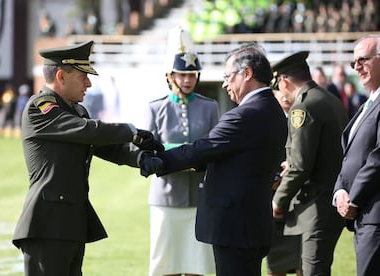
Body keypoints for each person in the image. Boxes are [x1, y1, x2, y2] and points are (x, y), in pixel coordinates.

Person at [12, 40, 163, 276]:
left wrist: (141, 157)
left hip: (71, 223)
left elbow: (107, 147)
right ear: (61, 76)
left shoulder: (77, 112)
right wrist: (131, 130)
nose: (89, 83)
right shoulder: (39, 108)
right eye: (83, 76)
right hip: (47, 225)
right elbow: (89, 131)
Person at [140, 42, 288, 276]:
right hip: (254, 223)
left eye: (228, 76)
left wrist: (160, 160)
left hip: (235, 227)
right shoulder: (272, 108)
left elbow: (203, 148)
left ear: (247, 73)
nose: (224, 84)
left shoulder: (243, 115)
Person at [144, 27, 218, 276]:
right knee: (167, 265)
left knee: (200, 266)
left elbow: (216, 148)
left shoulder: (210, 107)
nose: (188, 80)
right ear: (170, 76)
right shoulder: (156, 108)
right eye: (182, 74)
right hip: (166, 198)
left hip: (200, 197)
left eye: (192, 74)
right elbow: (147, 150)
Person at [271, 51, 348, 276]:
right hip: (330, 201)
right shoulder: (329, 99)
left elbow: (301, 166)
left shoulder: (302, 107)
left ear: (284, 81)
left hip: (316, 206)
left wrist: (279, 200)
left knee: (313, 271)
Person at [333, 34, 380, 276]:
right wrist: (340, 190)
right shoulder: (366, 104)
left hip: (374, 213)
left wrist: (354, 198)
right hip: (363, 214)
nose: (357, 67)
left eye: (363, 59)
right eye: (354, 62)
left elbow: (378, 157)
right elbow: (350, 156)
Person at [267, 89, 302, 276]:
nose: (283, 95)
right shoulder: (265, 123)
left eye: (285, 89)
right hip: (275, 203)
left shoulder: (305, 118)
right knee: (276, 264)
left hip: (301, 203)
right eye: (277, 90)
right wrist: (274, 178)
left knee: (303, 264)